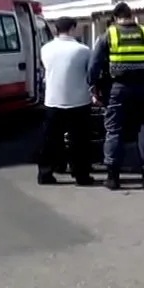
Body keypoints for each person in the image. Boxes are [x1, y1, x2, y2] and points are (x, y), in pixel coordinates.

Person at [88, 2, 144, 190]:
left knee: (114, 130)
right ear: (131, 15)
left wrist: (93, 84)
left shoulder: (109, 34)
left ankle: (113, 177)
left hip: (119, 89)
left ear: (115, 17)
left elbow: (95, 64)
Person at [37, 17, 94, 186]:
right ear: (73, 28)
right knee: (80, 142)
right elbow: (89, 74)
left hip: (53, 100)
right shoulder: (83, 50)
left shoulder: (46, 49)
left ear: (56, 29)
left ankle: (45, 173)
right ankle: (81, 175)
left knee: (50, 140)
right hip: (79, 101)